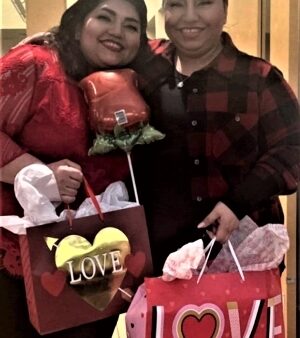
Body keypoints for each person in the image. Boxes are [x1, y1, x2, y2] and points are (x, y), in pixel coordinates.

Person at [0, 0, 148, 337]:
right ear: (79, 24)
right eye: (105, 18)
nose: (117, 32)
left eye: (131, 26)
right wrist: (37, 174)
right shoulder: (35, 65)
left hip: (97, 262)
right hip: (19, 262)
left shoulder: (131, 81)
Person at [132, 0, 300, 274]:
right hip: (159, 257)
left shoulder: (259, 78)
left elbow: (292, 149)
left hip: (242, 257)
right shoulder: (144, 68)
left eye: (204, 3)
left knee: (241, 319)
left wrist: (237, 203)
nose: (189, 17)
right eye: (176, 4)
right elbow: (95, 47)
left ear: (224, 11)